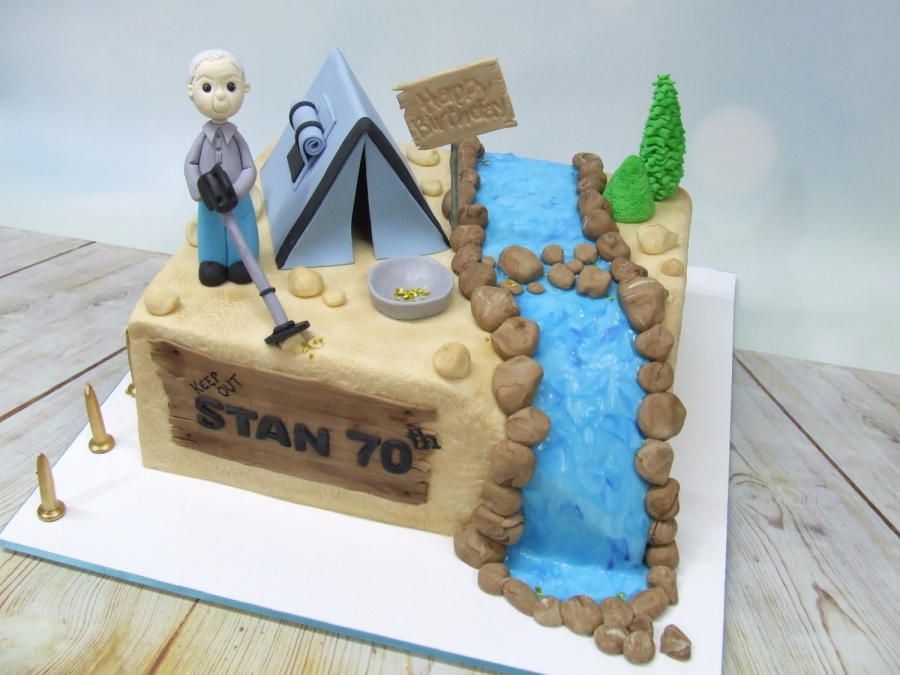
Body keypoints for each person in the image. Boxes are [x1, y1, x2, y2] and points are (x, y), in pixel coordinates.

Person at [184, 49, 258, 287]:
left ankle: (241, 261)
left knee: (243, 226)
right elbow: (190, 163)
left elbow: (249, 167)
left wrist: (236, 192)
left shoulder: (236, 139)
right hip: (209, 200)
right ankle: (212, 261)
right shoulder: (201, 140)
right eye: (207, 87)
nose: (220, 96)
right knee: (210, 228)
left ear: (245, 88)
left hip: (238, 200)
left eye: (230, 86)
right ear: (191, 91)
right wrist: (199, 190)